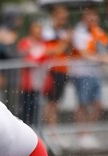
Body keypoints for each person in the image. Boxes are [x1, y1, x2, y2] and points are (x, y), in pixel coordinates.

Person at [69, 7, 108, 149]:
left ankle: (87, 133)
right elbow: (84, 54)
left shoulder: (97, 31)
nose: (93, 20)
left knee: (98, 105)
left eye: (95, 18)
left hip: (95, 73)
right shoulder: (79, 31)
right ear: (85, 17)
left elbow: (105, 48)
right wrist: (104, 58)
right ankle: (81, 135)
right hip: (82, 73)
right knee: (83, 104)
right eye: (90, 17)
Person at [41, 4, 71, 146]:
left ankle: (52, 132)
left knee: (55, 103)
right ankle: (48, 132)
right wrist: (64, 43)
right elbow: (49, 51)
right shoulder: (48, 32)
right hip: (53, 70)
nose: (64, 20)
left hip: (62, 70)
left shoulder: (61, 32)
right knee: (50, 103)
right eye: (61, 17)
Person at [17, 20, 47, 126]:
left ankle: (35, 127)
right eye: (37, 30)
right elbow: (28, 59)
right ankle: (25, 127)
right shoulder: (26, 42)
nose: (39, 33)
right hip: (28, 81)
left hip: (40, 80)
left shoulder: (42, 43)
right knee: (26, 106)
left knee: (37, 106)